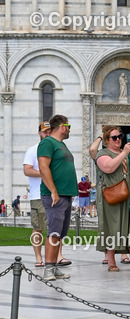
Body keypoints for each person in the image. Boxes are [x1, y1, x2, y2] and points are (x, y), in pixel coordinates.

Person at [24, 121, 71, 270]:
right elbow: (27, 170)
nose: (47, 134)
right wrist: (46, 173)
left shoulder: (57, 148)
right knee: (38, 227)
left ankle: (58, 256)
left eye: (50, 131)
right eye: (45, 132)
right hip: (39, 194)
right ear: (39, 133)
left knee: (57, 226)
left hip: (57, 193)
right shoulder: (33, 150)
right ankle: (39, 257)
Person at [37, 115, 78, 281]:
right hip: (55, 195)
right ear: (62, 126)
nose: (69, 129)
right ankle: (48, 268)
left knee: (60, 234)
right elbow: (43, 166)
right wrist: (53, 190)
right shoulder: (47, 142)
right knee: (53, 232)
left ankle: (53, 267)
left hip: (66, 195)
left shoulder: (62, 145)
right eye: (68, 125)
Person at [94, 125, 130, 271]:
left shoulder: (124, 153)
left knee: (129, 227)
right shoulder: (102, 153)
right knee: (112, 227)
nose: (118, 139)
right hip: (110, 195)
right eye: (114, 137)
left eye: (119, 136)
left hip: (126, 194)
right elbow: (108, 168)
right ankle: (111, 261)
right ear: (106, 140)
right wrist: (124, 153)